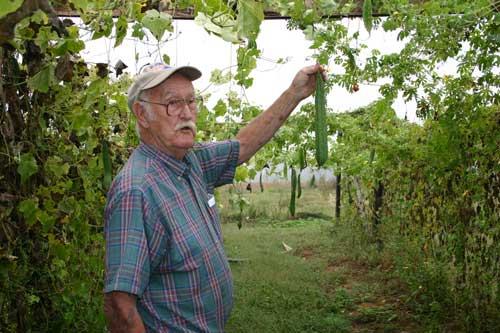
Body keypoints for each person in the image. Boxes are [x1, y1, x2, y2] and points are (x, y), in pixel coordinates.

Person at [104, 62, 324, 332]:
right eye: (173, 103)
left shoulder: (192, 161)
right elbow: (119, 306)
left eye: (191, 101)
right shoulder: (136, 191)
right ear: (142, 114)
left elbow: (243, 145)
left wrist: (295, 93)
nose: (186, 112)